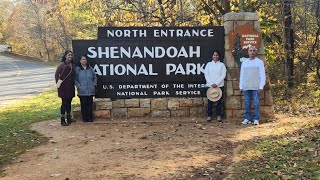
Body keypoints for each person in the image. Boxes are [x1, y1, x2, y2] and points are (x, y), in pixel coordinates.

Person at [239, 46, 266, 125]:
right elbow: (242, 75)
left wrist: (261, 86)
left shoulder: (259, 62)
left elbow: (262, 75)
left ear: (256, 52)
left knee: (256, 103)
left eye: (254, 51)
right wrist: (241, 86)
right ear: (248, 52)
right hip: (246, 86)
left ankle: (256, 119)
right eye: (250, 51)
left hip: (256, 87)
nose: (252, 52)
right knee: (247, 103)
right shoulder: (244, 63)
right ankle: (247, 118)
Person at [204, 50, 227, 122]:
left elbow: (223, 75)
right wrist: (211, 83)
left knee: (219, 102)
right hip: (210, 86)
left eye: (216, 55)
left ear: (219, 56)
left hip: (219, 86)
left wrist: (216, 83)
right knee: (210, 101)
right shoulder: (208, 64)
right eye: (214, 55)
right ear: (212, 56)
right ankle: (209, 116)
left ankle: (218, 115)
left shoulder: (222, 65)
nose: (215, 56)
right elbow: (206, 74)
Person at [55, 50, 75, 126]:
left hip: (70, 87)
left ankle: (69, 117)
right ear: (65, 56)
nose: (70, 56)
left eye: (71, 55)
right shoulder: (61, 65)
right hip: (63, 87)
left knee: (69, 103)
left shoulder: (73, 65)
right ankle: (62, 119)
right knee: (64, 103)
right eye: (68, 55)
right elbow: (57, 75)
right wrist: (58, 84)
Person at [75, 55, 97, 122]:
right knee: (83, 104)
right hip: (82, 91)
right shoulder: (77, 69)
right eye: (82, 59)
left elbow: (95, 77)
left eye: (85, 59)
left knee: (90, 104)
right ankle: (84, 118)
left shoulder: (90, 68)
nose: (84, 61)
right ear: (80, 61)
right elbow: (75, 79)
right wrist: (79, 86)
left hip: (90, 90)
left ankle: (90, 117)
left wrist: (94, 85)